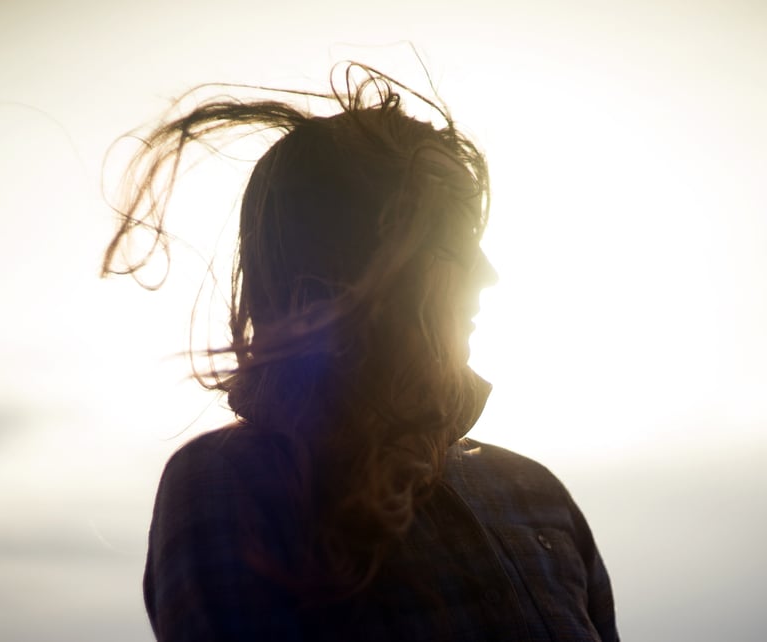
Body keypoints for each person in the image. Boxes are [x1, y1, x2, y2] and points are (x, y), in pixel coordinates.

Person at [102, 62, 619, 641]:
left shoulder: (533, 493)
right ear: (354, 266)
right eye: (450, 243)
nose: (487, 273)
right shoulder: (232, 484)